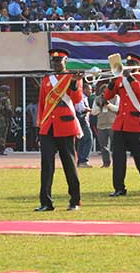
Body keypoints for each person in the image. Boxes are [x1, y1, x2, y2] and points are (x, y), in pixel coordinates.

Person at [35, 48, 82, 211]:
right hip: (48, 127)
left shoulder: (71, 77)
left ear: (65, 62)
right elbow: (42, 104)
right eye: (53, 61)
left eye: (59, 61)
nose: (56, 64)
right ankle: (46, 202)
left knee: (70, 165)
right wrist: (39, 127)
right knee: (46, 166)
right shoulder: (47, 79)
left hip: (66, 126)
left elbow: (77, 99)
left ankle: (75, 201)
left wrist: (75, 83)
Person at [104, 53, 140, 196]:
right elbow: (108, 96)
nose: (129, 66)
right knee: (118, 158)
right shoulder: (120, 78)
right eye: (128, 63)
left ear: (138, 65)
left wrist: (130, 78)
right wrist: (112, 83)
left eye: (132, 64)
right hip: (120, 123)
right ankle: (119, 188)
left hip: (134, 123)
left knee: (139, 156)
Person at [90, 80, 119, 168]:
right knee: (103, 146)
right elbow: (93, 112)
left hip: (113, 124)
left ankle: (117, 163)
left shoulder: (116, 97)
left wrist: (108, 105)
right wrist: (100, 105)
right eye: (103, 92)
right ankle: (106, 163)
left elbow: (117, 109)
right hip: (101, 125)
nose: (104, 94)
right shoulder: (97, 99)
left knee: (115, 146)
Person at [0, 84, 14, 155]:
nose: (9, 92)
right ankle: (1, 150)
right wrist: (11, 115)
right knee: (2, 134)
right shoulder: (5, 99)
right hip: (3, 118)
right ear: (5, 91)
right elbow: (8, 109)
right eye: (8, 90)